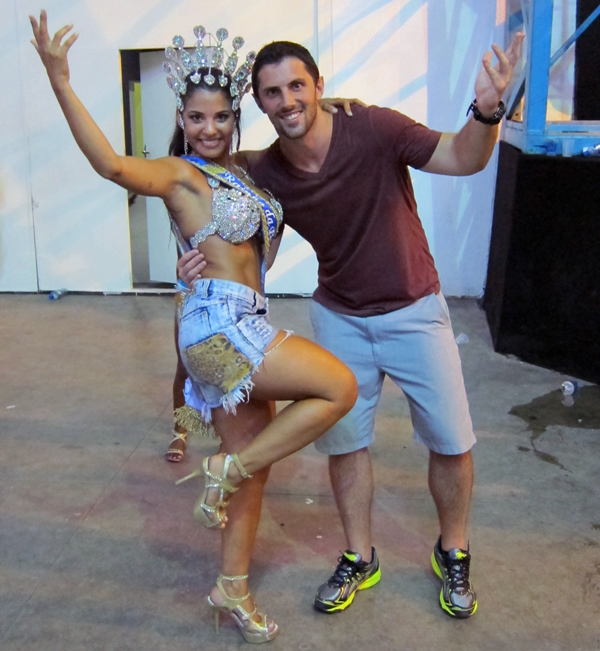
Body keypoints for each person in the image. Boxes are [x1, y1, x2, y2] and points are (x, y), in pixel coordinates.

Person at [30, 12, 358, 644]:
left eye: (221, 117)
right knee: (338, 387)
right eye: (197, 118)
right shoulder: (181, 174)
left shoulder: (246, 173)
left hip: (242, 319)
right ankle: (222, 473)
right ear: (182, 121)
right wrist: (60, 82)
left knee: (256, 465)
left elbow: (297, 137)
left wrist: (333, 105)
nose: (209, 128)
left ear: (236, 118)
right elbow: (110, 164)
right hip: (218, 327)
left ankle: (230, 587)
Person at [178, 33, 525, 619]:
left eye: (297, 85)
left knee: (451, 440)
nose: (287, 101)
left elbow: (464, 157)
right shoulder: (264, 170)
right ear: (256, 106)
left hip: (415, 307)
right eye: (272, 93)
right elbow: (193, 178)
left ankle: (454, 549)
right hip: (339, 314)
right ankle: (359, 557)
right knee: (346, 444)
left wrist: (488, 109)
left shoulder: (375, 127)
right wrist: (188, 258)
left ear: (318, 85)